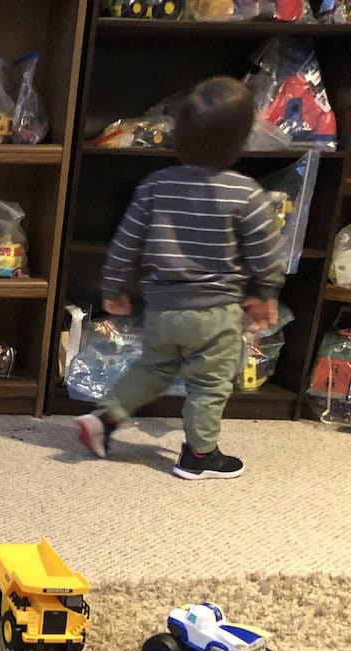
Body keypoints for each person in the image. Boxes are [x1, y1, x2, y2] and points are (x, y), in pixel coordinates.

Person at [75, 76, 284, 480]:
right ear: (242, 140)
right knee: (210, 385)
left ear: (179, 134)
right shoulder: (246, 193)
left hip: (163, 311)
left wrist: (113, 286)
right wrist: (266, 292)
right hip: (216, 314)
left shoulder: (155, 186)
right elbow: (265, 252)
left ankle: (106, 419)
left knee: (152, 369)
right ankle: (200, 455)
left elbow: (125, 242)